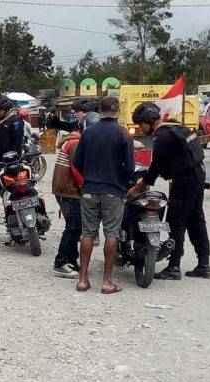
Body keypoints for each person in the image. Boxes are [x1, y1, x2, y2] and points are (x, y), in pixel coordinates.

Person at [128, 102, 210, 280]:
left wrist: (139, 186)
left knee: (176, 221)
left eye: (141, 124)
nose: (141, 129)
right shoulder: (179, 128)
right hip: (198, 175)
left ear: (149, 121)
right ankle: (204, 264)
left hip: (184, 180)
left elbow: (156, 166)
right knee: (196, 219)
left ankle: (174, 266)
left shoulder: (162, 136)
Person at [73, 97, 134, 294]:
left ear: (100, 111)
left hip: (89, 190)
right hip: (113, 191)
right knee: (111, 234)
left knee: (87, 234)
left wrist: (90, 176)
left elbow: (77, 162)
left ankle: (82, 280)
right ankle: (107, 282)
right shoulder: (123, 134)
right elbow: (130, 168)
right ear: (117, 111)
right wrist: (121, 181)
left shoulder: (88, 132)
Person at [51, 114, 100, 279]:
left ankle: (71, 260)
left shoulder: (75, 141)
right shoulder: (76, 143)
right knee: (73, 227)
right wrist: (85, 188)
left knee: (75, 226)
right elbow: (77, 171)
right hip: (69, 190)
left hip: (67, 190)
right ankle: (61, 262)